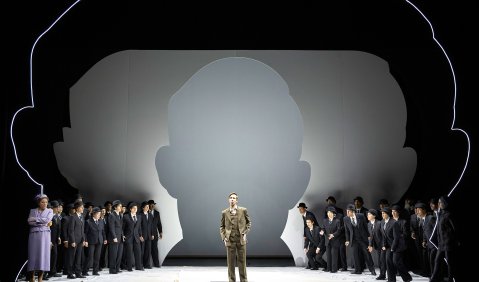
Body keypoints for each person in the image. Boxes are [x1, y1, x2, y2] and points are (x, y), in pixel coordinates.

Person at [220, 192, 251, 282]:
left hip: (241, 240)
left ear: (237, 200)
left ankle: (244, 280)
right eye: (231, 198)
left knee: (242, 262)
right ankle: (231, 280)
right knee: (231, 264)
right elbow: (222, 226)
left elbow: (249, 223)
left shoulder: (243, 210)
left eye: (234, 198)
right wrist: (224, 237)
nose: (232, 199)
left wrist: (245, 233)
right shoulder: (224, 212)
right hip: (230, 241)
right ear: (228, 200)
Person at [27, 194, 54, 282]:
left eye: (46, 202)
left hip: (45, 236)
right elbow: (29, 222)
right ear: (39, 203)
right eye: (43, 202)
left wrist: (36, 219)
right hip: (34, 235)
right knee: (33, 255)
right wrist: (42, 221)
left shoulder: (50, 211)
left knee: (43, 255)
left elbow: (47, 220)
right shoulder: (32, 210)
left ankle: (40, 279)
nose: (45, 204)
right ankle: (31, 278)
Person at [148, 199, 163, 267]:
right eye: (151, 205)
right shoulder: (145, 213)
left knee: (155, 250)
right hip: (147, 234)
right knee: (147, 250)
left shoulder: (157, 213)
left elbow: (159, 224)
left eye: (153, 205)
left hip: (155, 234)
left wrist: (160, 232)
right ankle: (147, 264)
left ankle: (156, 264)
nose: (152, 206)